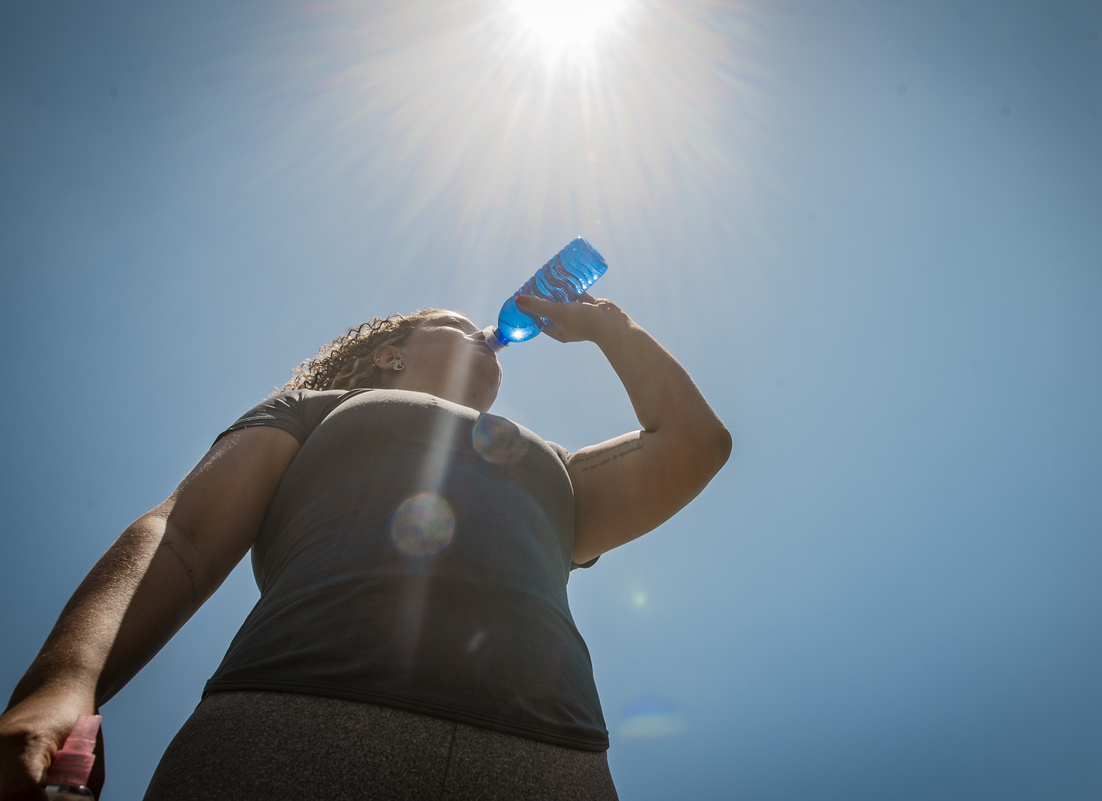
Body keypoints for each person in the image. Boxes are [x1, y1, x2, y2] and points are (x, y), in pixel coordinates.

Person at [0, 292, 731, 800]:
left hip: (551, 757)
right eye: (455, 323)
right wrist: (59, 689)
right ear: (389, 354)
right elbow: (181, 536)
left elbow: (697, 442)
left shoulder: (553, 465)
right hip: (292, 727)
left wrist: (609, 328)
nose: (485, 332)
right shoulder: (316, 411)